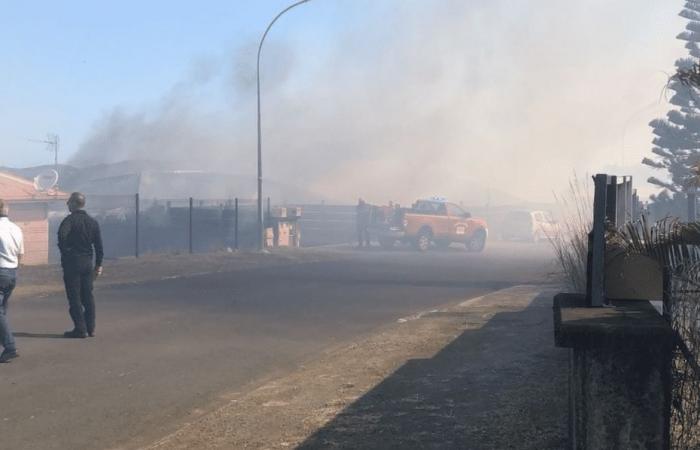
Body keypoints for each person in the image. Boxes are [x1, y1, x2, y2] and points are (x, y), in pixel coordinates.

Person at [58, 192, 103, 338]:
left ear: (73, 204)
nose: (67, 204)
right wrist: (98, 265)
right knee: (88, 296)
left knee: (74, 297)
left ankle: (80, 328)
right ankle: (91, 328)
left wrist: (66, 253)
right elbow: (99, 246)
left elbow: (62, 236)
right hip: (87, 263)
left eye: (69, 202)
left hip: (73, 263)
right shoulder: (92, 222)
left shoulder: (69, 221)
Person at [0, 199, 23, 363]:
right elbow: (20, 254)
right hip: (12, 271)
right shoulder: (16, 228)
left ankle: (9, 346)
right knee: (2, 311)